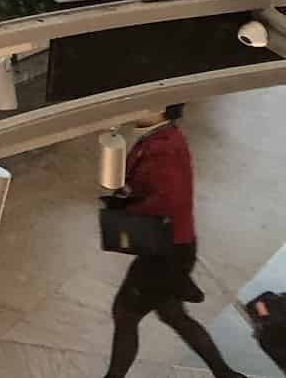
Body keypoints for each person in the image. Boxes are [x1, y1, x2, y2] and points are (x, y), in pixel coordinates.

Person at [100, 107, 246, 378]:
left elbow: (169, 200)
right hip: (176, 246)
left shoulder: (163, 147)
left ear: (160, 109)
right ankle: (226, 375)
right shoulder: (165, 137)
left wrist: (126, 208)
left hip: (164, 251)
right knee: (172, 314)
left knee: (126, 313)